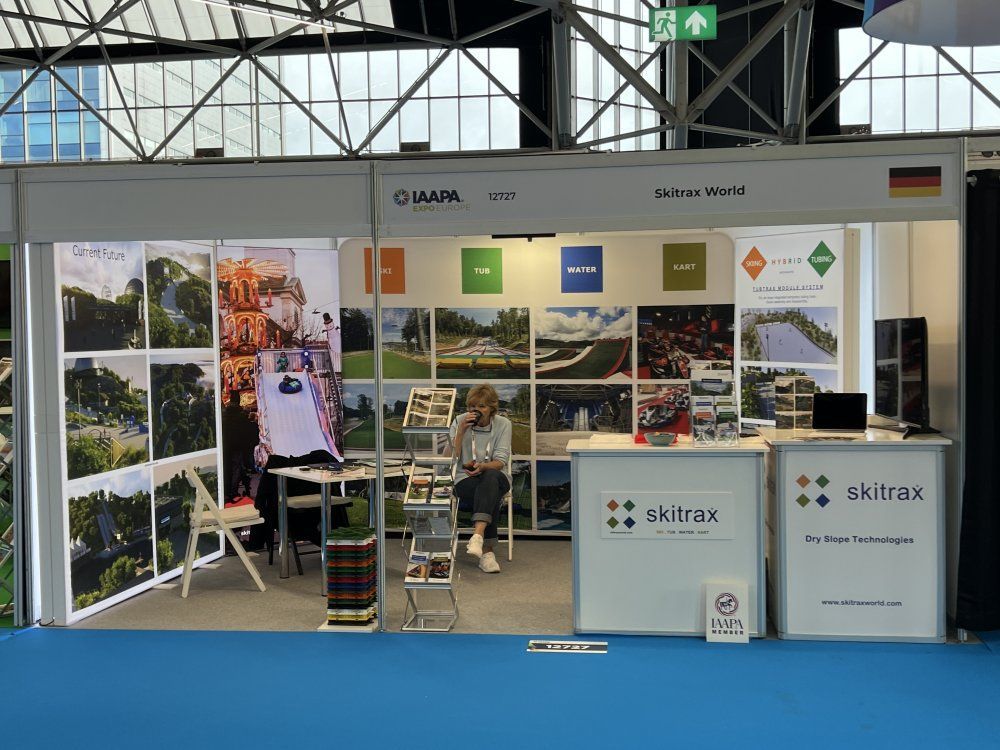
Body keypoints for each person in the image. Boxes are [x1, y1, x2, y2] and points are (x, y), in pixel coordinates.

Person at [450, 384, 512, 574]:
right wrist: (461, 431)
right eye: (472, 406)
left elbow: (500, 461)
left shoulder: (503, 424)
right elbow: (449, 458)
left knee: (490, 478)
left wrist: (483, 466)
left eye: (482, 406)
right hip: (464, 478)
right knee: (490, 492)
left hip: (496, 476)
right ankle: (487, 552)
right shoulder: (459, 421)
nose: (476, 410)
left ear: (492, 408)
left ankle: (477, 535)